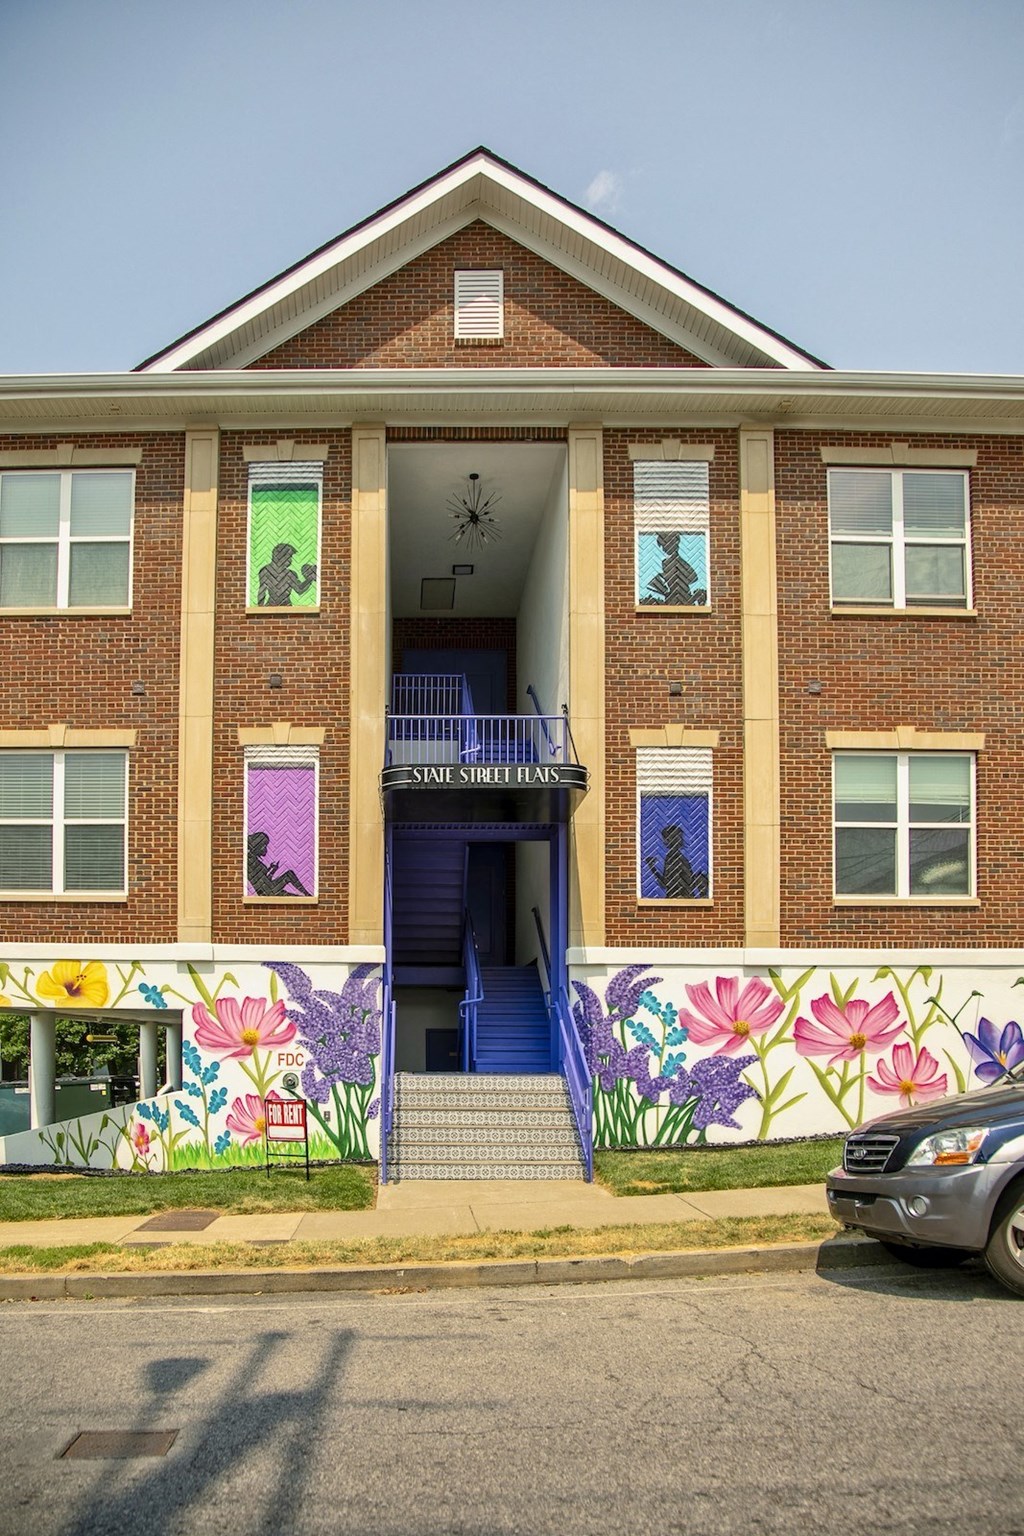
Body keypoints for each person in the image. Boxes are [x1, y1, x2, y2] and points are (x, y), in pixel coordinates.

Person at [645, 824, 709, 899]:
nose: (681, 839)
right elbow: (668, 883)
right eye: (680, 837)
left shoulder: (673, 857)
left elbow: (666, 883)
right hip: (682, 898)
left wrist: (652, 867)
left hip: (678, 898)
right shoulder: (675, 857)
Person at [646, 531, 707, 606]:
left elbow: (693, 577)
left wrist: (671, 578)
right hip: (673, 598)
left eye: (666, 544)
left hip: (681, 598)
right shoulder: (666, 562)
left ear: (676, 542)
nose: (663, 547)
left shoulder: (677, 561)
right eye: (663, 544)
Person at [247, 832, 310, 896]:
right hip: (268, 891)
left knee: (296, 897)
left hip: (269, 890)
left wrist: (273, 870)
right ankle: (307, 894)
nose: (265, 849)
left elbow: (265, 881)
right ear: (257, 845)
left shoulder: (254, 859)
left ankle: (307, 896)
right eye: (264, 845)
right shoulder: (250, 860)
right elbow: (261, 884)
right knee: (289, 874)